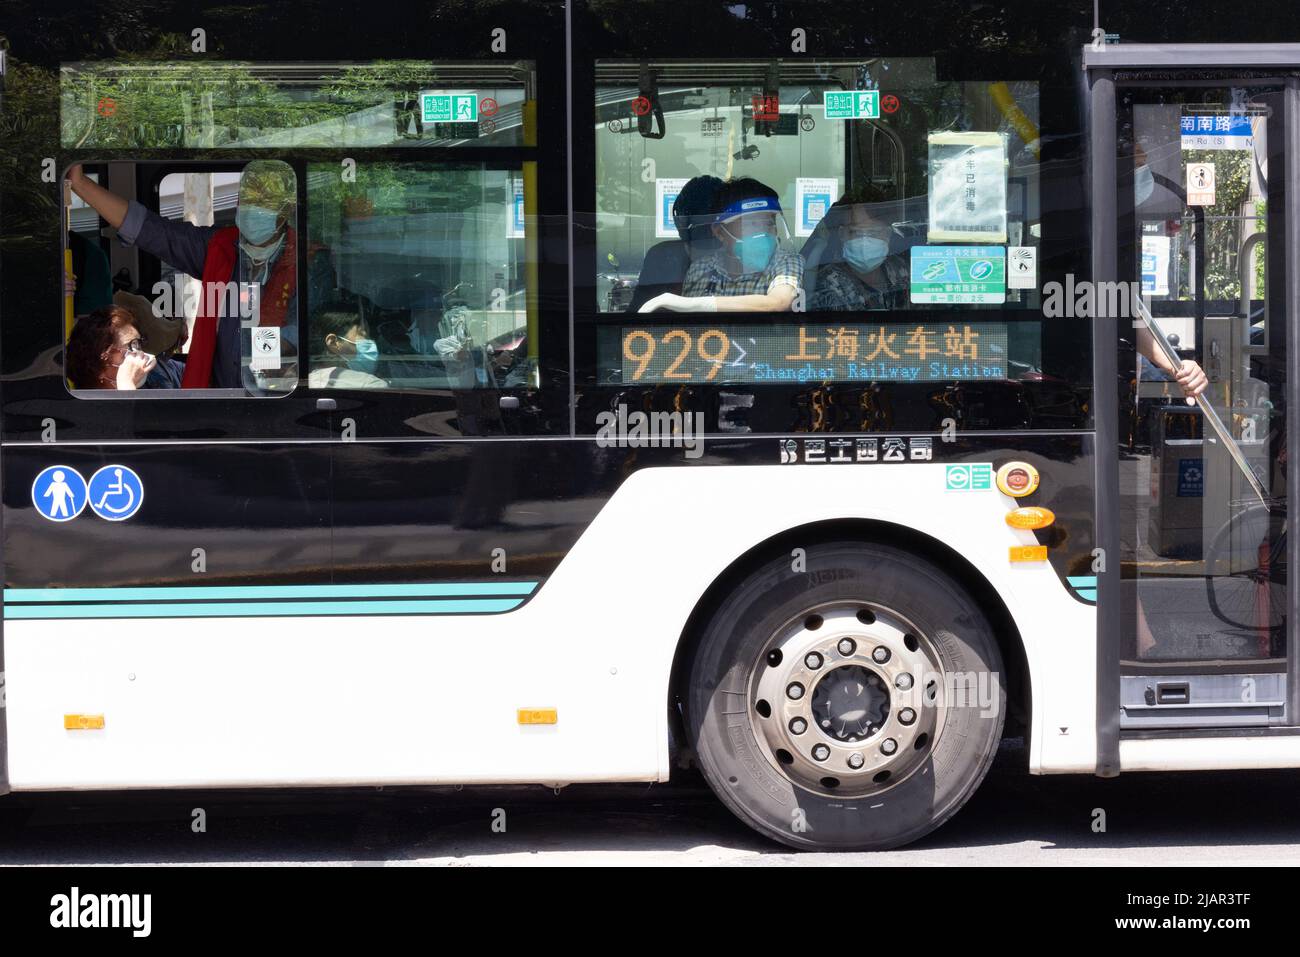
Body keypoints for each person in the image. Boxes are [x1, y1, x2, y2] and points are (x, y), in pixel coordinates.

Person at [66, 161, 299, 389]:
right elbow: (152, 231)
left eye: (262, 201)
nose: (251, 209)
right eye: (246, 199)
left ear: (285, 210)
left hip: (278, 399)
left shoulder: (306, 260)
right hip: (221, 403)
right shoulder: (220, 247)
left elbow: (311, 336)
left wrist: (275, 346)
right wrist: (80, 184)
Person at [638, 177, 803, 313]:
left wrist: (698, 304)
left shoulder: (785, 263)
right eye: (751, 223)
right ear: (719, 232)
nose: (762, 232)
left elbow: (779, 302)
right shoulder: (701, 269)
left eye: (768, 223)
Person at [809, 190, 909, 311]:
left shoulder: (901, 270)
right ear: (841, 234)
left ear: (887, 234)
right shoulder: (828, 284)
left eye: (874, 232)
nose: (864, 241)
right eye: (855, 232)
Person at [66, 304, 184, 390]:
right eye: (131, 346)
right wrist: (126, 383)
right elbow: (129, 422)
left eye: (138, 344)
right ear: (97, 366)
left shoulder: (156, 374)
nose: (140, 353)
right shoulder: (84, 410)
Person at [308, 302, 386, 389]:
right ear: (333, 343)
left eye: (369, 335)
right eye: (362, 334)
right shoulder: (372, 385)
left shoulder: (302, 381)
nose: (371, 342)